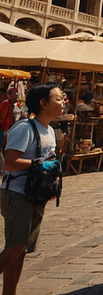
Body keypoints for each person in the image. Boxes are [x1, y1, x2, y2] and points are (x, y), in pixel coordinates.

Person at [0, 84, 64, 295]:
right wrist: (38, 163)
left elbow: (49, 159)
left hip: (36, 195)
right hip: (17, 192)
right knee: (16, 246)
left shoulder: (50, 130)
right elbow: (10, 162)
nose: (63, 101)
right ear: (43, 103)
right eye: (58, 98)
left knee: (21, 251)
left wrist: (52, 171)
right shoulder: (25, 128)